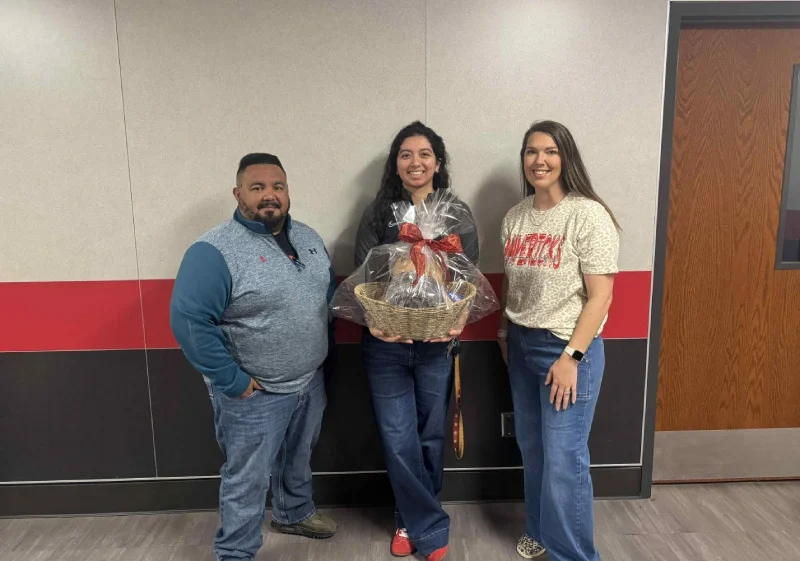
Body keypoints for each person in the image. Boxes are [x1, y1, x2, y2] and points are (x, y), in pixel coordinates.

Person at [170, 153, 338, 561]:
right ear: (238, 193)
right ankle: (236, 552)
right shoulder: (213, 250)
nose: (269, 195)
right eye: (257, 187)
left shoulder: (309, 238)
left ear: (287, 191)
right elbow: (190, 322)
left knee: (298, 457)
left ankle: (293, 512)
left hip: (308, 379)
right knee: (246, 478)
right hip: (254, 392)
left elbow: (325, 296)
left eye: (277, 186)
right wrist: (233, 381)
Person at [354, 121, 479, 561]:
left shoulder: (457, 213)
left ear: (438, 163)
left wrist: (457, 317)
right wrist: (374, 321)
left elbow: (467, 276)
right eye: (405, 154)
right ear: (396, 164)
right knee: (397, 437)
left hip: (435, 343)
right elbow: (364, 274)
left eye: (424, 154)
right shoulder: (378, 214)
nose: (415, 162)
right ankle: (425, 525)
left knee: (430, 435)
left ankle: (409, 519)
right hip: (385, 344)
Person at [499, 121, 620, 561]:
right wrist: (504, 331)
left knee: (564, 460)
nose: (540, 160)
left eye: (550, 151)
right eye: (531, 151)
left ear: (565, 157)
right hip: (522, 345)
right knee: (533, 449)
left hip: (566, 350)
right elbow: (514, 284)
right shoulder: (515, 217)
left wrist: (571, 356)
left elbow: (601, 295)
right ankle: (540, 532)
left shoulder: (588, 214)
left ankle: (575, 555)